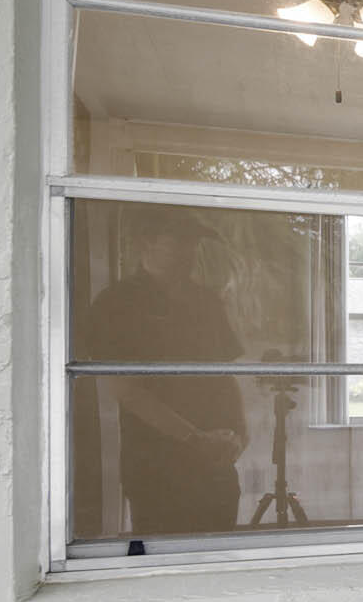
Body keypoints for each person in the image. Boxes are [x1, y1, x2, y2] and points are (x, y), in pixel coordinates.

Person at [81, 210, 248, 535]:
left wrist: (241, 432)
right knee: (166, 556)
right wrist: (193, 437)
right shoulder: (117, 303)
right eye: (179, 242)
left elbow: (225, 372)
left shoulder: (206, 302)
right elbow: (125, 389)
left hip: (215, 462)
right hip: (157, 464)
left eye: (193, 243)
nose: (189, 251)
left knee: (218, 553)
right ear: (147, 242)